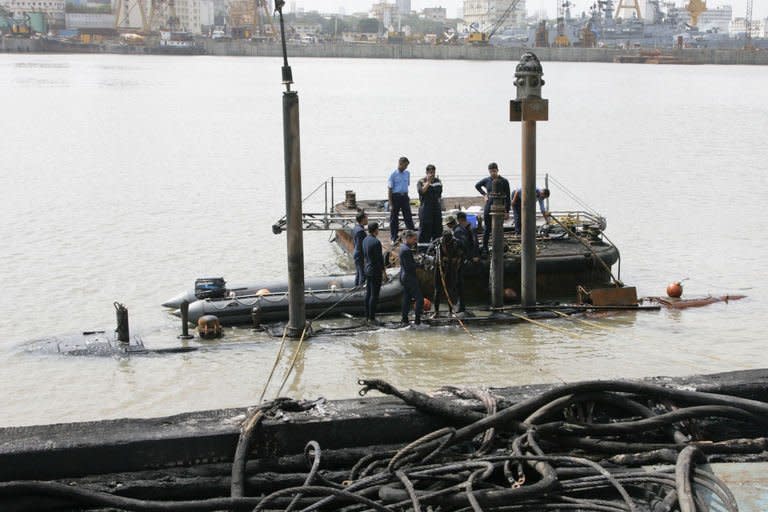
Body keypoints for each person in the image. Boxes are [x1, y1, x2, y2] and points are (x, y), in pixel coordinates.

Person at [474, 162, 511, 254]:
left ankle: (499, 246)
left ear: (497, 170)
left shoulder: (504, 181)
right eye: (491, 171)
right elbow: (477, 186)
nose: (493, 173)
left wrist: (507, 211)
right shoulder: (487, 180)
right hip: (489, 205)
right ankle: (485, 247)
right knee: (487, 228)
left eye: (494, 171)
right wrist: (484, 194)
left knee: (498, 227)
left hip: (500, 206)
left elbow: (508, 197)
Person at [432, 220, 464, 317]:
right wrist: (439, 260)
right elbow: (430, 254)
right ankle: (436, 312)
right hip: (439, 270)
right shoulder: (437, 244)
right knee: (437, 290)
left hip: (451, 270)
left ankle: (451, 311)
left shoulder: (456, 243)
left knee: (451, 290)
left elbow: (462, 255)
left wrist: (455, 260)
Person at [452, 211, 480, 313]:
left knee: (458, 283)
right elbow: (475, 243)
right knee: (459, 283)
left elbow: (467, 244)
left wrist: (471, 256)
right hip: (467, 258)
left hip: (463, 260)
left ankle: (460, 305)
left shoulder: (460, 230)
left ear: (458, 219)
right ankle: (460, 305)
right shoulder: (470, 227)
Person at [387, 156, 415, 243]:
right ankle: (394, 237)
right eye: (405, 165)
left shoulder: (407, 173)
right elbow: (390, 189)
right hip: (396, 197)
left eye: (407, 166)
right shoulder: (393, 175)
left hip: (405, 197)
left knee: (408, 217)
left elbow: (407, 184)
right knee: (394, 218)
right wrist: (391, 203)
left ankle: (412, 236)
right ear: (400, 164)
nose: (406, 167)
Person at [398, 230, 423, 326]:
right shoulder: (406, 250)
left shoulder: (402, 248)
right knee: (419, 299)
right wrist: (419, 264)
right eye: (414, 239)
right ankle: (417, 321)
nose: (415, 241)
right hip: (409, 277)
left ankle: (404, 319)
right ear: (408, 238)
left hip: (404, 276)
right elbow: (410, 266)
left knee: (407, 298)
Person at [362, 221, 385, 324]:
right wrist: (384, 272)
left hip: (367, 269)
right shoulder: (376, 242)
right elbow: (379, 259)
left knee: (368, 293)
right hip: (375, 271)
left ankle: (367, 316)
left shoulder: (365, 240)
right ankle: (372, 318)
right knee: (374, 295)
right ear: (376, 230)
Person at [416, 164, 443, 244]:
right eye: (430, 172)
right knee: (425, 229)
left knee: (437, 229)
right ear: (427, 172)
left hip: (436, 208)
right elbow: (422, 191)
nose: (432, 174)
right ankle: (423, 249)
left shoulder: (438, 181)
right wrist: (428, 182)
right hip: (425, 209)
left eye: (433, 172)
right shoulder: (421, 181)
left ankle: (436, 248)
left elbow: (439, 194)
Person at [352, 211, 368, 286]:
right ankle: (361, 290)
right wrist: (365, 257)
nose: (367, 219)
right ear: (362, 219)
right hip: (359, 254)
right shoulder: (360, 231)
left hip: (356, 252)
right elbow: (360, 245)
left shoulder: (356, 228)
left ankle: (356, 287)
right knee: (362, 274)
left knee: (358, 273)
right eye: (366, 218)